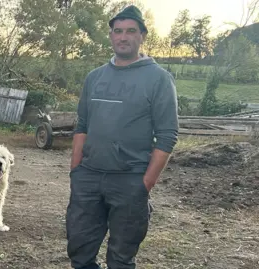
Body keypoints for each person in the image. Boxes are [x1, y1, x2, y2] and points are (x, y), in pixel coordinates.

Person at [66, 5, 179, 269]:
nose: (123, 37)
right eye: (118, 31)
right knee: (79, 252)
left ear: (142, 36)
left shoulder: (158, 79)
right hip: (89, 178)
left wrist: (144, 184)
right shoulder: (95, 77)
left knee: (120, 258)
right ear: (111, 36)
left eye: (130, 31)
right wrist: (76, 171)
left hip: (129, 180)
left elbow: (167, 136)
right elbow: (82, 125)